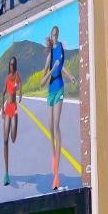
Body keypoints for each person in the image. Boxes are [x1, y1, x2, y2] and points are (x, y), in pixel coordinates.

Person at [39, 26, 74, 190]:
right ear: (50, 36)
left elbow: (62, 67)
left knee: (56, 123)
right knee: (50, 127)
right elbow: (41, 82)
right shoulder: (50, 56)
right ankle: (54, 156)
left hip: (59, 87)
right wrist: (52, 69)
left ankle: (56, 172)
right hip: (50, 91)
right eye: (53, 35)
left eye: (57, 34)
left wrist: (70, 75)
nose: (55, 37)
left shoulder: (61, 48)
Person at [0, 56, 23, 186]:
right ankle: (6, 173)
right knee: (5, 140)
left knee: (13, 137)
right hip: (7, 108)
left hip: (14, 108)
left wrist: (21, 94)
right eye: (10, 64)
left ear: (16, 65)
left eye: (13, 64)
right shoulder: (8, 77)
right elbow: (3, 92)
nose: (12, 66)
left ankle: (15, 128)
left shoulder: (17, 75)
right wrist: (2, 111)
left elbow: (20, 85)